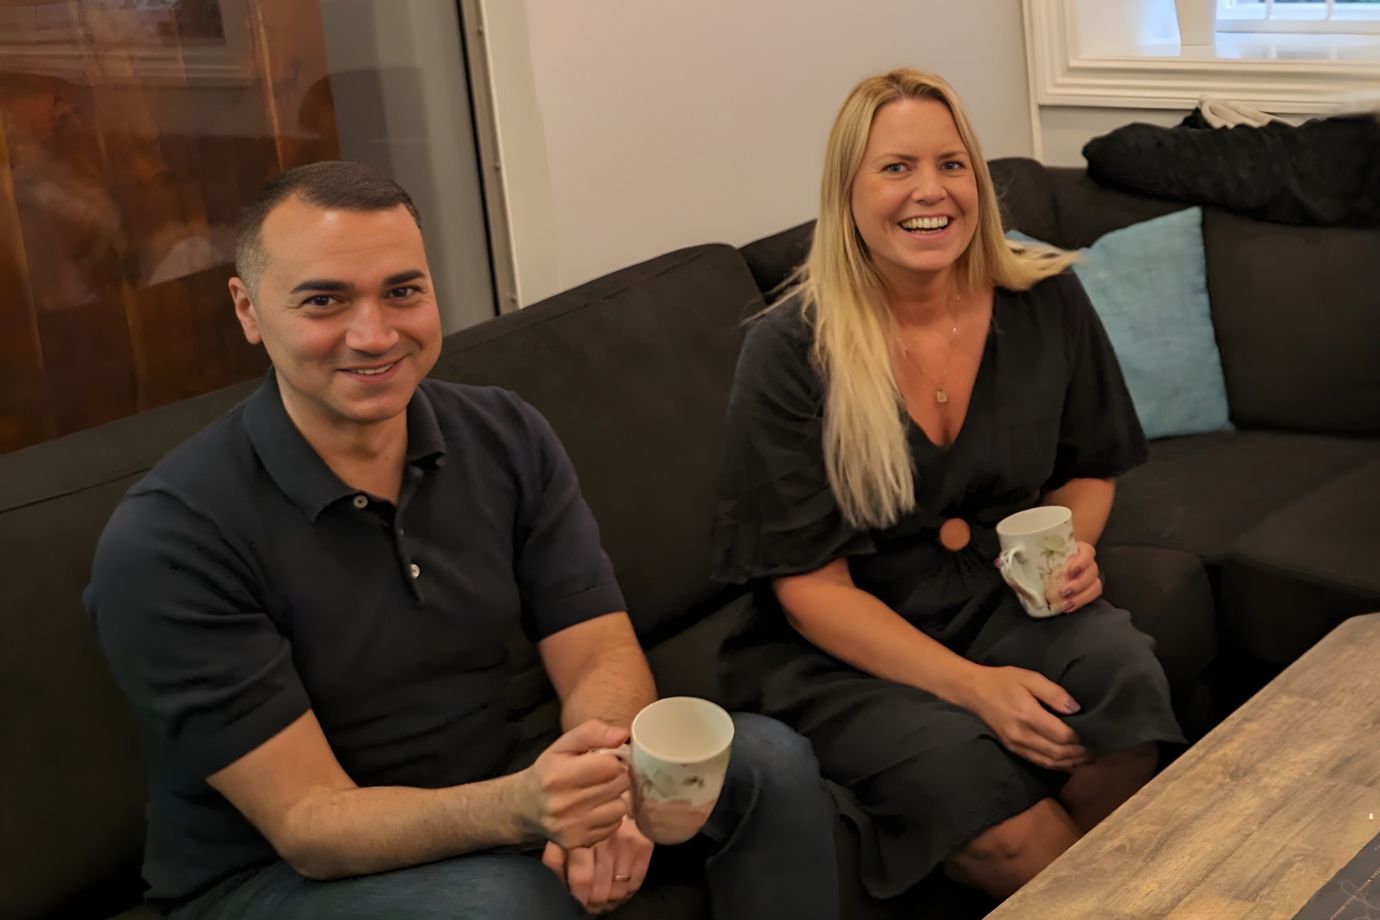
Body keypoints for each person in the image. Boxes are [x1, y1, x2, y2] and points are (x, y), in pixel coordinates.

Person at [86, 160, 839, 920]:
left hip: (506, 785)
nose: (375, 335)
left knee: (766, 762)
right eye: (324, 300)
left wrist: (606, 785)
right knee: (505, 902)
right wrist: (525, 808)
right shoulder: (170, 540)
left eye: (402, 291)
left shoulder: (503, 432)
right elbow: (310, 824)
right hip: (275, 876)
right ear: (248, 310)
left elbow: (597, 651)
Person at [711, 70, 1184, 903]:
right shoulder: (789, 351)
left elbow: (1090, 465)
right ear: (848, 193)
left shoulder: (1043, 296)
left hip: (1003, 599)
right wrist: (976, 690)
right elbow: (811, 591)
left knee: (1123, 679)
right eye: (896, 167)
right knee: (980, 795)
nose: (929, 190)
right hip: (841, 648)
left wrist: (1071, 550)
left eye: (951, 164)